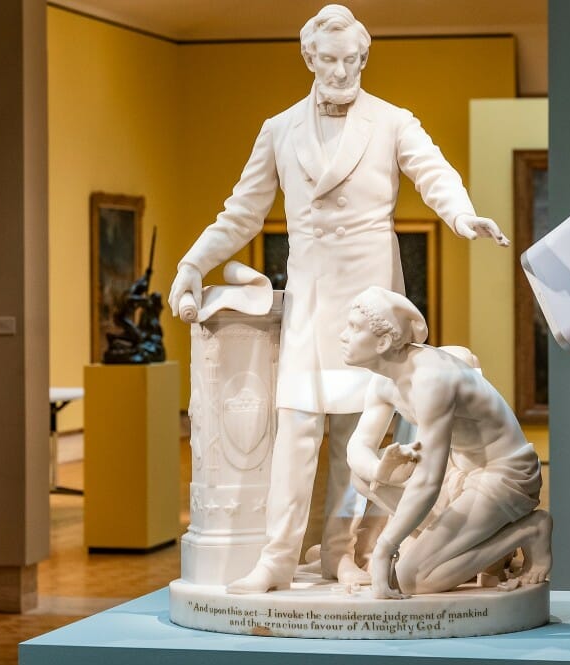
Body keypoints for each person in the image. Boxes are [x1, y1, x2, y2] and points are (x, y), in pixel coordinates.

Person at [167, 4, 508, 594]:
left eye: (353, 59)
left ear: (363, 57)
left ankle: (339, 554)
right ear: (309, 59)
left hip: (369, 292)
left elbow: (434, 172)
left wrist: (462, 214)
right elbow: (242, 210)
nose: (343, 71)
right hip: (312, 293)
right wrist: (192, 263)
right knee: (297, 426)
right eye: (330, 60)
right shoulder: (279, 128)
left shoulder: (393, 121)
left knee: (358, 434)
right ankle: (277, 557)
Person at [340, 286, 551, 598]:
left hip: (504, 476)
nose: (343, 336)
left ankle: (529, 530)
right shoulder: (385, 378)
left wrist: (386, 546)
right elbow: (357, 447)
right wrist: (380, 471)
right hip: (459, 476)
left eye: (354, 328)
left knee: (412, 579)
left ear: (383, 341)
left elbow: (428, 480)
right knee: (363, 476)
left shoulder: (431, 379)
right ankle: (469, 539)